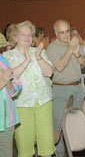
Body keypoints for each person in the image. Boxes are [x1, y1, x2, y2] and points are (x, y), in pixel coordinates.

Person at [3, 21, 55, 157]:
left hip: (43, 102)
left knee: (47, 145)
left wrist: (38, 58)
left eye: (30, 35)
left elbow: (49, 73)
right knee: (24, 146)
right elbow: (9, 77)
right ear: (15, 36)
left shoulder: (39, 52)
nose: (27, 38)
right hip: (21, 104)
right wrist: (26, 61)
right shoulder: (8, 56)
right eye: (23, 34)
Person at [46, 20, 85, 157]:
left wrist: (77, 53)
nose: (65, 35)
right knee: (59, 127)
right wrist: (70, 49)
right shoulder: (52, 48)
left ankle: (76, 152)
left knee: (75, 124)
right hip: (61, 90)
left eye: (67, 31)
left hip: (77, 88)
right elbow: (59, 67)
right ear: (56, 34)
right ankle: (59, 154)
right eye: (61, 32)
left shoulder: (75, 44)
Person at [0, 54, 21, 157]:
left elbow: (15, 88)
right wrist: (3, 81)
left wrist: (8, 82)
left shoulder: (2, 60)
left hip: (6, 121)